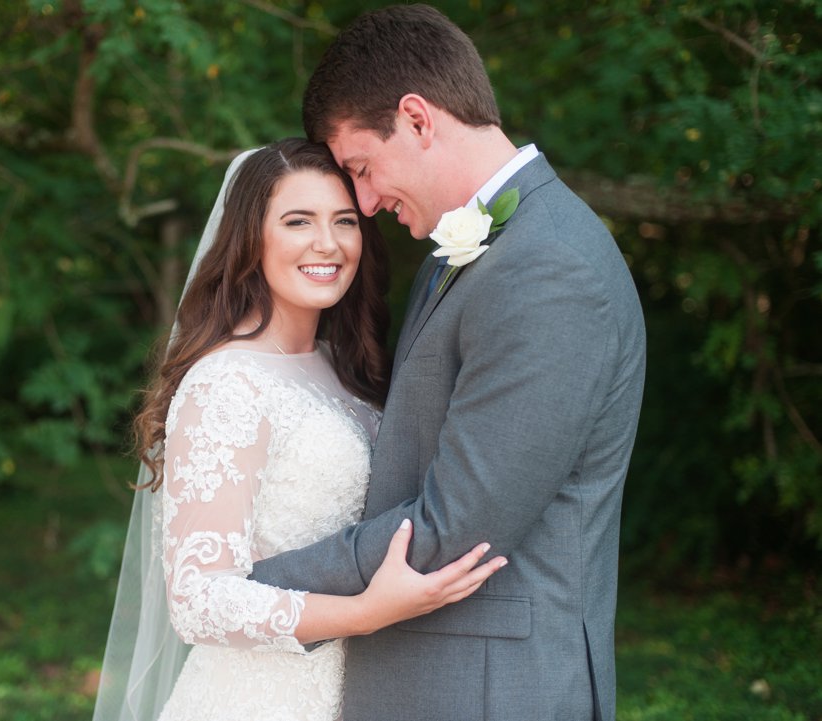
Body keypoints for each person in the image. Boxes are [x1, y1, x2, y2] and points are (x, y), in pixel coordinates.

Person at [248, 6, 647, 721]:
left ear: (418, 119)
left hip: (493, 688)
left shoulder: (547, 268)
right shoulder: (467, 253)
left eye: (363, 169)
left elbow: (454, 523)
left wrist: (251, 587)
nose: (363, 203)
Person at [93, 138, 506, 721]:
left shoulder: (344, 366)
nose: (328, 243)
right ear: (250, 238)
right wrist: (367, 612)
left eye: (344, 221)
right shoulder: (226, 384)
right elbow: (198, 601)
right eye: (297, 221)